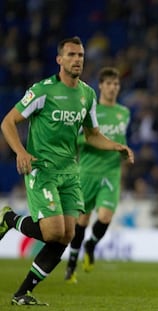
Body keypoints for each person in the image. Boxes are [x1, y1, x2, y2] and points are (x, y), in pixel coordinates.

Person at [0, 36, 134, 306]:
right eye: (71, 55)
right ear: (59, 60)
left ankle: (22, 293)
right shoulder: (42, 91)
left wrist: (114, 146)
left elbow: (92, 134)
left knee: (68, 235)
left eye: (81, 55)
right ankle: (9, 219)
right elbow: (8, 122)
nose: (77, 60)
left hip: (70, 172)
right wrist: (21, 152)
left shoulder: (87, 94)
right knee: (52, 232)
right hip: (43, 169)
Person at [64, 67, 131, 284]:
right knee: (81, 222)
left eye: (116, 84)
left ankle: (91, 245)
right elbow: (78, 139)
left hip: (111, 172)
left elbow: (120, 137)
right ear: (101, 86)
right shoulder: (91, 110)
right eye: (109, 84)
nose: (113, 88)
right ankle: (71, 265)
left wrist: (123, 150)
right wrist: (105, 144)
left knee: (105, 217)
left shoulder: (124, 113)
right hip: (87, 171)